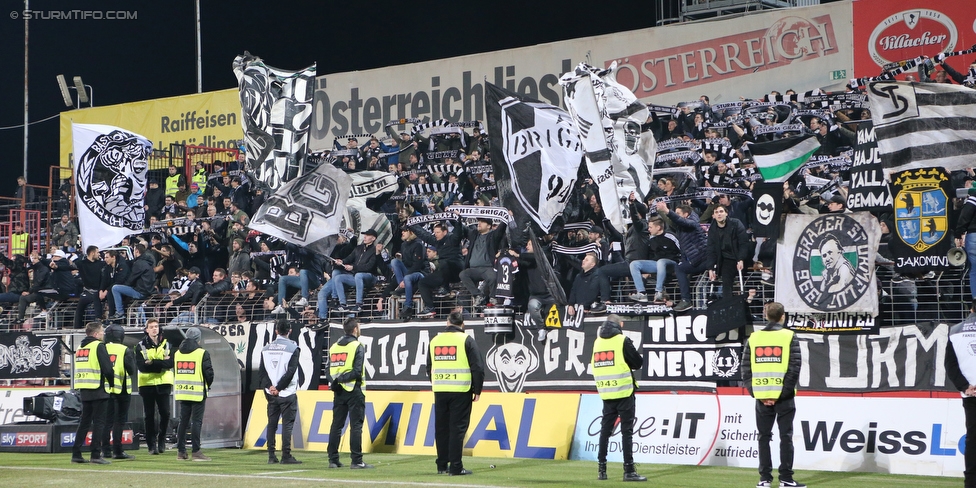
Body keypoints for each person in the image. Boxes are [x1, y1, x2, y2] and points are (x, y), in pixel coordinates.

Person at [740, 302, 804, 488]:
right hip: (784, 398)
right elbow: (794, 368)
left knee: (763, 437)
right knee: (786, 437)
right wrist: (780, 394)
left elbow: (745, 369)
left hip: (761, 397)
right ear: (783, 316)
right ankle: (786, 479)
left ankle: (764, 479)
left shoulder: (754, 337)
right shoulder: (789, 336)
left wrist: (756, 393)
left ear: (765, 316)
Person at [427, 311, 484, 476]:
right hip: (461, 390)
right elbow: (477, 367)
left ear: (447, 322)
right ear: (462, 325)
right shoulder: (466, 340)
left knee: (442, 428)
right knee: (457, 430)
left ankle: (441, 465)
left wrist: (436, 382)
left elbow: (428, 366)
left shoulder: (435, 340)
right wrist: (477, 390)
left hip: (440, 390)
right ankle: (456, 467)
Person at [591, 314, 646, 482]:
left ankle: (602, 470)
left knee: (605, 432)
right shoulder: (622, 340)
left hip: (606, 392)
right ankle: (628, 470)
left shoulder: (597, 342)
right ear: (620, 324)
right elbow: (637, 363)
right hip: (624, 392)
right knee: (626, 432)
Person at [327, 317, 373, 469]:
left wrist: (335, 382)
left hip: (338, 391)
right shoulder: (357, 346)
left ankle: (333, 460)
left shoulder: (334, 347)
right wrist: (342, 379)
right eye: (358, 327)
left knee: (336, 426)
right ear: (355, 330)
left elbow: (328, 370)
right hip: (354, 389)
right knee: (356, 426)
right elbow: (356, 371)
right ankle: (356, 461)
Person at [71, 321, 114, 465]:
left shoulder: (80, 347)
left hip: (84, 389)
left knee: (84, 422)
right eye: (102, 331)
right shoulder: (98, 346)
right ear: (95, 334)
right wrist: (112, 383)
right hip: (98, 388)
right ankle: (95, 454)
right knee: (99, 423)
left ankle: (76, 453)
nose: (103, 333)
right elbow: (107, 369)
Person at [260, 318, 302, 465]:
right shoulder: (293, 348)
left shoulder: (265, 349)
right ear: (289, 331)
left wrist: (271, 387)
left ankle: (271, 455)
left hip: (271, 394)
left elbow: (261, 372)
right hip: (287, 392)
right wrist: (279, 388)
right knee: (287, 425)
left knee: (271, 424)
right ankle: (286, 455)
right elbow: (291, 372)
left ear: (276, 331)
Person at [945, 298, 976, 488]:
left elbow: (950, 365)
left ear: (972, 309)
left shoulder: (955, 331)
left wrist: (965, 386)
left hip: (971, 395)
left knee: (973, 441)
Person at [174, 327, 214, 461]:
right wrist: (207, 385)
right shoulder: (202, 353)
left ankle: (181, 451)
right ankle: (196, 451)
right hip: (197, 392)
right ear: (199, 339)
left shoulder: (177, 353)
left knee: (183, 421)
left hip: (182, 391)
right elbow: (209, 373)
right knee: (196, 422)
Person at [137, 318, 174, 455]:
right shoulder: (140, 346)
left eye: (156, 326)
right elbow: (141, 366)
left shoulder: (167, 344)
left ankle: (162, 439)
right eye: (151, 327)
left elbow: (170, 363)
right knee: (149, 416)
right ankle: (151, 445)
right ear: (146, 330)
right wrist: (160, 364)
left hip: (164, 383)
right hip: (147, 384)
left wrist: (152, 363)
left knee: (165, 413)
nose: (154, 329)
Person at [101, 324, 137, 460]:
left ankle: (105, 450)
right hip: (121, 390)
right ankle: (118, 451)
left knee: (106, 421)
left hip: (104, 389)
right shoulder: (124, 350)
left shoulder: (101, 348)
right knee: (119, 421)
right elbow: (131, 370)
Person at [628, 216, 680, 304]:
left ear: (658, 227)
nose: (649, 229)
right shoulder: (651, 239)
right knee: (634, 264)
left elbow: (682, 250)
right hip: (657, 264)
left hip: (672, 264)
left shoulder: (671, 236)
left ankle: (658, 292)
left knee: (661, 262)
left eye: (651, 227)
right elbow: (650, 255)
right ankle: (641, 293)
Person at [706, 205, 749, 298]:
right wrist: (710, 268)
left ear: (726, 213)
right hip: (725, 260)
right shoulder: (712, 229)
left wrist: (741, 259)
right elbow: (710, 249)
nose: (719, 214)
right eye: (716, 212)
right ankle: (727, 304)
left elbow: (744, 243)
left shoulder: (736, 224)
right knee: (726, 282)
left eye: (721, 211)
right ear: (713, 215)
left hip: (739, 257)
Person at [111, 244, 156, 321]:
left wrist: (124, 286)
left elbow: (131, 279)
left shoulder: (139, 263)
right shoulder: (147, 262)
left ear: (137, 251)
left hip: (140, 292)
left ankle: (120, 313)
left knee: (115, 288)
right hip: (147, 290)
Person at [74, 246, 106, 329]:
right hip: (87, 291)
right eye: (97, 252)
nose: (99, 254)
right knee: (79, 310)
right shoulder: (81, 263)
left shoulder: (101, 264)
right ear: (92, 253)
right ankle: (76, 328)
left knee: (97, 310)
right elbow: (68, 266)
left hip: (98, 292)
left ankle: (98, 327)